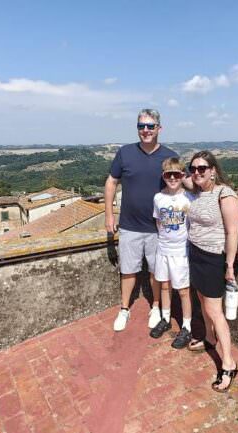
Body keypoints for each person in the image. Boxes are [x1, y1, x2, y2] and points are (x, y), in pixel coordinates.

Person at [105, 109, 178, 332]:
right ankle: (124, 309)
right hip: (129, 225)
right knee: (128, 270)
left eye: (150, 126)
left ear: (159, 128)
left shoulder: (168, 157)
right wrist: (109, 214)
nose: (145, 130)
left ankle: (155, 307)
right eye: (141, 126)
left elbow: (179, 186)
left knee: (157, 272)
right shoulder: (125, 153)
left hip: (158, 228)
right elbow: (111, 182)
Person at [186, 150, 238, 392]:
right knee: (200, 299)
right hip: (195, 253)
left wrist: (229, 265)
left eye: (202, 169)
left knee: (214, 311)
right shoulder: (197, 190)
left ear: (213, 171)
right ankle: (209, 338)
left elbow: (233, 232)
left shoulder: (224, 194)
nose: (196, 172)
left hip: (213, 258)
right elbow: (173, 173)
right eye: (193, 168)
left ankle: (228, 363)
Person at [149, 157, 194, 349]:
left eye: (177, 174)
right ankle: (166, 319)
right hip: (163, 249)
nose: (173, 178)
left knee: (183, 291)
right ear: (163, 176)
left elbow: (191, 225)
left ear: (183, 175)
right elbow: (159, 222)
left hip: (180, 252)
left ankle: (187, 326)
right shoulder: (158, 198)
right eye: (169, 174)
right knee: (165, 286)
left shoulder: (189, 198)